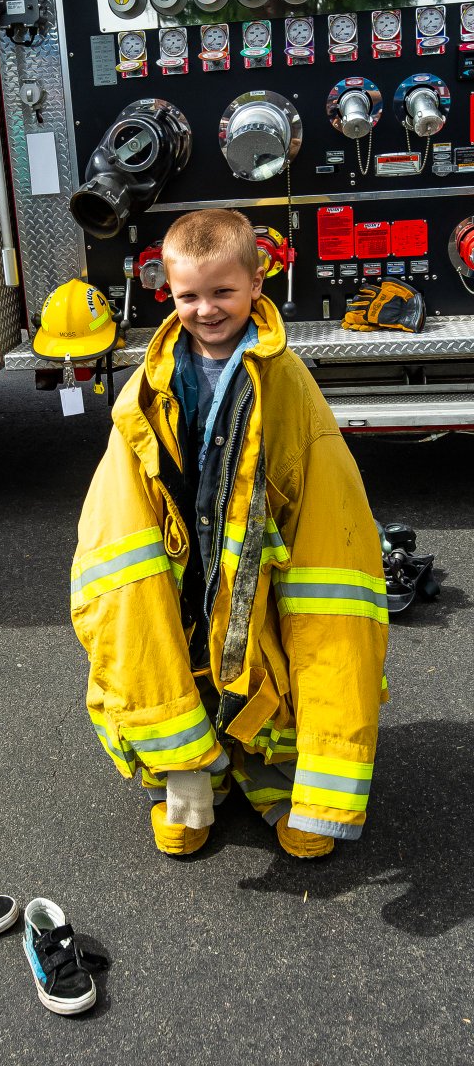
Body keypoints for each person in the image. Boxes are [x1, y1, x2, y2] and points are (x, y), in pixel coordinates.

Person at [71, 209, 389, 859]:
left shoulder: (289, 382)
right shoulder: (147, 387)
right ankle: (188, 782)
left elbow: (322, 489)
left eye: (223, 292)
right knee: (175, 656)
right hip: (183, 567)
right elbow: (120, 502)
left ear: (256, 285)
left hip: (258, 571)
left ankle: (281, 780)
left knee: (266, 662)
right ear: (169, 292)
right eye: (189, 296)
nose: (206, 310)